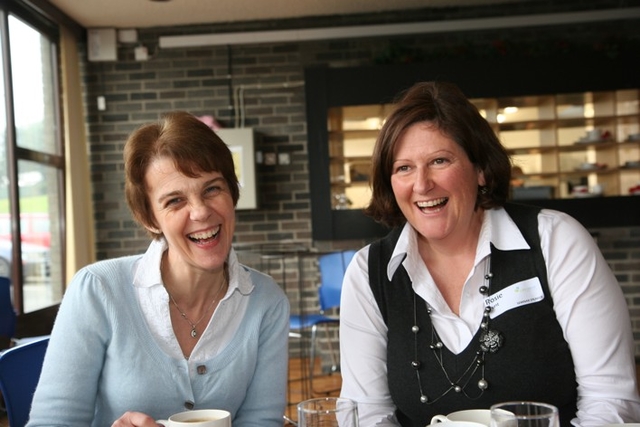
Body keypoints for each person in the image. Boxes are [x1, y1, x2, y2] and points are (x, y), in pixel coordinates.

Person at [338, 81, 640, 427]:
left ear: (480, 170)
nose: (421, 185)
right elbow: (367, 413)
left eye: (439, 161)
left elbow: (611, 399)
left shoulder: (555, 240)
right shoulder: (368, 273)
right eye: (403, 168)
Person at [27, 111, 290, 427]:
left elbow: (261, 422)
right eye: (175, 201)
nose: (201, 212)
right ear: (151, 218)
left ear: (231, 193)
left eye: (212, 189)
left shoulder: (267, 301)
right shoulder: (97, 289)